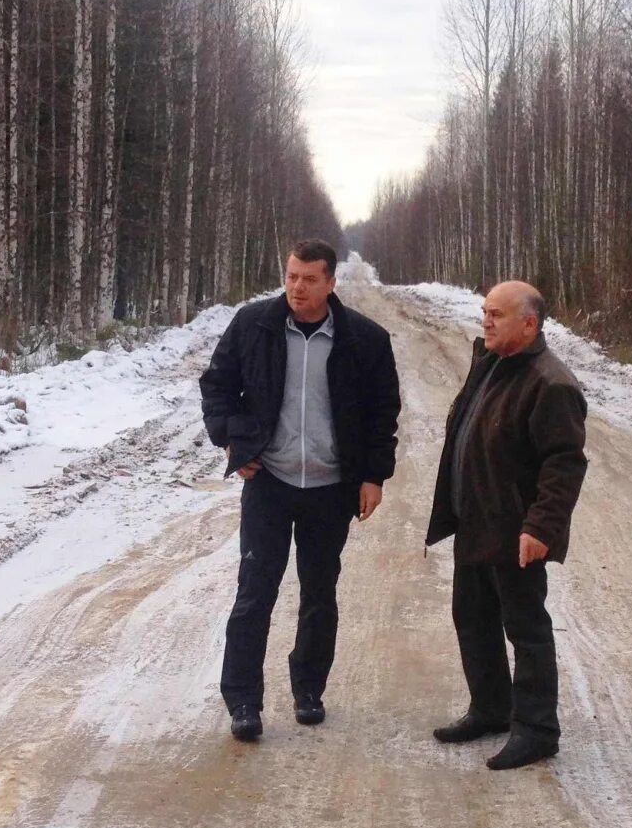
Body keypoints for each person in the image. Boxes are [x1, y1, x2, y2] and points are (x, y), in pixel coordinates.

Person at [199, 240, 402, 742]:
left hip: (331, 488)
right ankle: (243, 700)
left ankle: (308, 689)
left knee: (319, 593)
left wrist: (374, 475)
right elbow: (217, 386)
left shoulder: (366, 339)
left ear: (331, 282)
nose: (297, 288)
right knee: (255, 592)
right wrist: (234, 441)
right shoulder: (254, 326)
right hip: (269, 481)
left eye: (309, 279)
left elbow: (383, 413)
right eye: (291, 277)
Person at [425, 281, 588, 770]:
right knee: (472, 620)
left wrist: (540, 528)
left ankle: (538, 730)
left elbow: (564, 465)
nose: (487, 321)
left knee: (526, 629)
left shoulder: (550, 382)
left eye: (497, 314)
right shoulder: (492, 362)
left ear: (529, 323)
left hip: (515, 532)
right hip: (476, 521)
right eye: (485, 312)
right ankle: (491, 709)